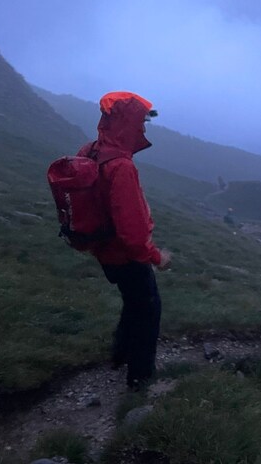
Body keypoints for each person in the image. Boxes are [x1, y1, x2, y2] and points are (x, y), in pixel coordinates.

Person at [77, 91, 172, 391]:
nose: (143, 129)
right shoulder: (122, 167)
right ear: (127, 124)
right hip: (125, 256)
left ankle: (119, 354)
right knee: (148, 309)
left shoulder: (90, 151)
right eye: (141, 122)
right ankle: (140, 379)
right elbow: (132, 234)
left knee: (132, 302)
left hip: (103, 250)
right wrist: (157, 257)